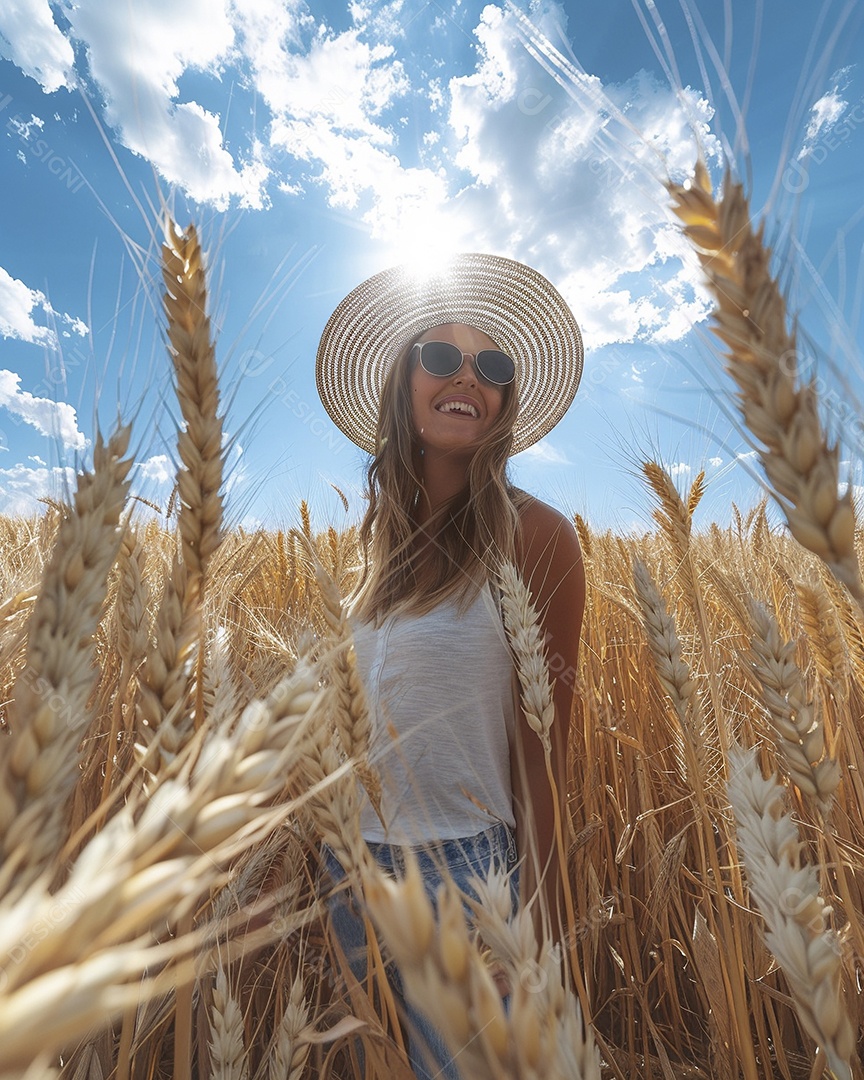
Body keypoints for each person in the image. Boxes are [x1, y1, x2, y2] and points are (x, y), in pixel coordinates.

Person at [315, 252, 585, 1079]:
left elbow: (546, 752)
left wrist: (533, 931)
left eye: (492, 364)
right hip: (350, 869)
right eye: (441, 355)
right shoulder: (377, 543)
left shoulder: (537, 535)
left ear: (505, 399)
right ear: (405, 381)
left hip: (470, 882)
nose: (468, 375)